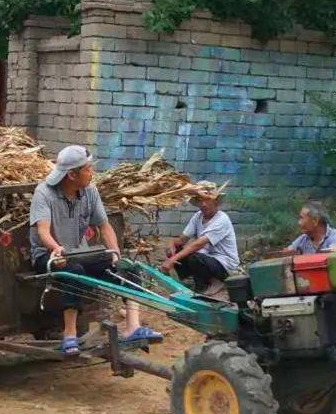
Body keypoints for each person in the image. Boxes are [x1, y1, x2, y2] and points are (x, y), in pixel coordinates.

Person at [30, 145, 161, 355]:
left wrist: (116, 253)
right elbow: (43, 231)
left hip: (79, 253)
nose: (92, 173)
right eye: (88, 169)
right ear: (72, 174)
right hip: (48, 255)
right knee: (73, 272)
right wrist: (56, 249)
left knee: (129, 268)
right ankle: (70, 335)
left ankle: (133, 327)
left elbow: (104, 226)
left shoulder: (90, 191)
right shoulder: (44, 192)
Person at [160, 182, 239, 293]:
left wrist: (173, 259)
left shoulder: (222, 219)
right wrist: (172, 244)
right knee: (176, 250)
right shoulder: (198, 216)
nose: (203, 204)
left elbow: (198, 244)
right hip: (206, 259)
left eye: (207, 200)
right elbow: (182, 240)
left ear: (215, 202)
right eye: (200, 200)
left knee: (194, 257)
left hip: (224, 265)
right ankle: (191, 280)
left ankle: (207, 285)